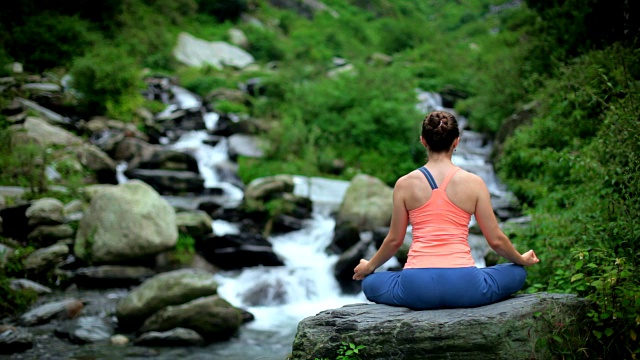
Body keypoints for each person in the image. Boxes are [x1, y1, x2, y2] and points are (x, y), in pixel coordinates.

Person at [352, 110, 539, 310]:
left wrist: (369, 266)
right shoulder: (474, 183)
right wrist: (521, 259)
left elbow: (395, 240)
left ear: (423, 140)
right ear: (456, 142)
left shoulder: (404, 184)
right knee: (518, 273)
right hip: (465, 285)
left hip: (416, 287)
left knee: (370, 283)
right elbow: (495, 240)